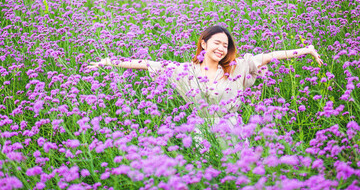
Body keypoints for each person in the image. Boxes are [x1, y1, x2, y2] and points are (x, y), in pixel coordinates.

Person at [87, 25, 323, 143]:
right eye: (217, 43)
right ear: (203, 43)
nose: (221, 48)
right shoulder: (185, 71)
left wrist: (307, 50)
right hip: (200, 130)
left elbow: (272, 55)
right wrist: (107, 62)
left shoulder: (237, 66)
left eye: (226, 45)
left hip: (232, 127)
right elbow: (147, 63)